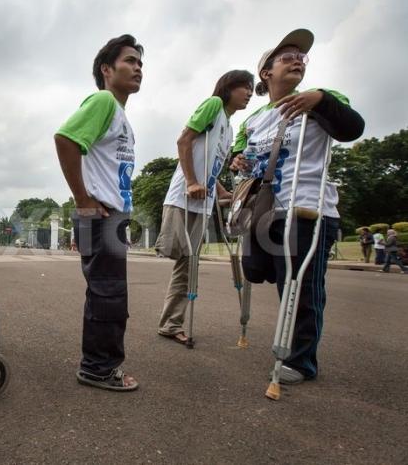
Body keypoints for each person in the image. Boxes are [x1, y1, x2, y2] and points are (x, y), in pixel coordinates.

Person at [230, 29, 365, 385]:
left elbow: (352, 128)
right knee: (260, 272)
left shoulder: (321, 98)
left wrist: (319, 100)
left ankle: (302, 360)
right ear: (266, 73)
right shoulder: (254, 119)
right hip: (264, 209)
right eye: (286, 56)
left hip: (306, 207)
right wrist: (239, 160)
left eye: (300, 57)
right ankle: (292, 339)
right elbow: (240, 153)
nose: (296, 60)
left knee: (301, 285)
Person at [54, 34, 143, 391]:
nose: (137, 68)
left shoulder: (120, 115)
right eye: (130, 61)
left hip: (113, 216)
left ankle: (100, 364)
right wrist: (82, 198)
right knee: (108, 295)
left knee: (110, 294)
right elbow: (65, 139)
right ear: (107, 70)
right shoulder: (104, 100)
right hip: (101, 215)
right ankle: (98, 368)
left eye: (140, 63)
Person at [155, 70, 254, 345]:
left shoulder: (230, 128)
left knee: (189, 265)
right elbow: (184, 140)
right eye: (244, 87)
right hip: (183, 198)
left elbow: (212, 166)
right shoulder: (213, 106)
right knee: (177, 255)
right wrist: (191, 182)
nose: (248, 93)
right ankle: (170, 321)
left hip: (203, 203)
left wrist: (224, 193)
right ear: (228, 87)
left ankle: (171, 324)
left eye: (251, 88)